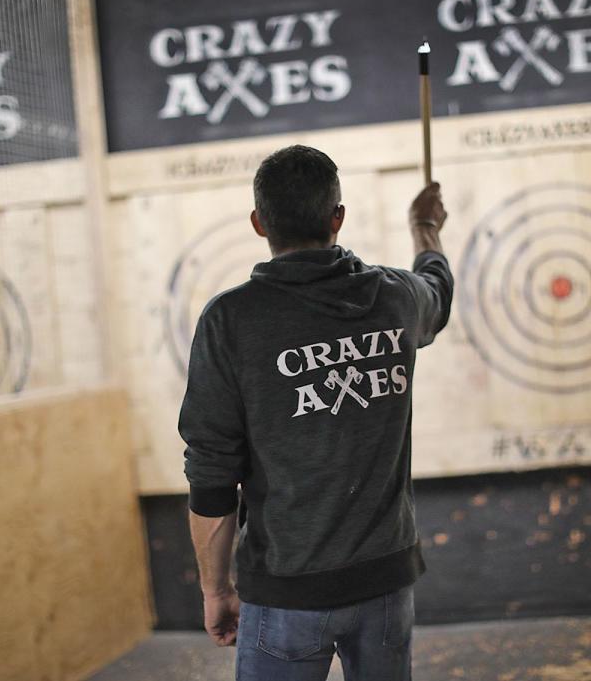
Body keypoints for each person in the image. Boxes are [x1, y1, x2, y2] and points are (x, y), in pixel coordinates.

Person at [177, 144, 453, 681]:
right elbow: (438, 289)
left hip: (286, 591)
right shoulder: (396, 298)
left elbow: (212, 476)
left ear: (259, 223)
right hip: (385, 583)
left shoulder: (230, 320)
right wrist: (425, 227)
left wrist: (216, 589)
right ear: (337, 218)